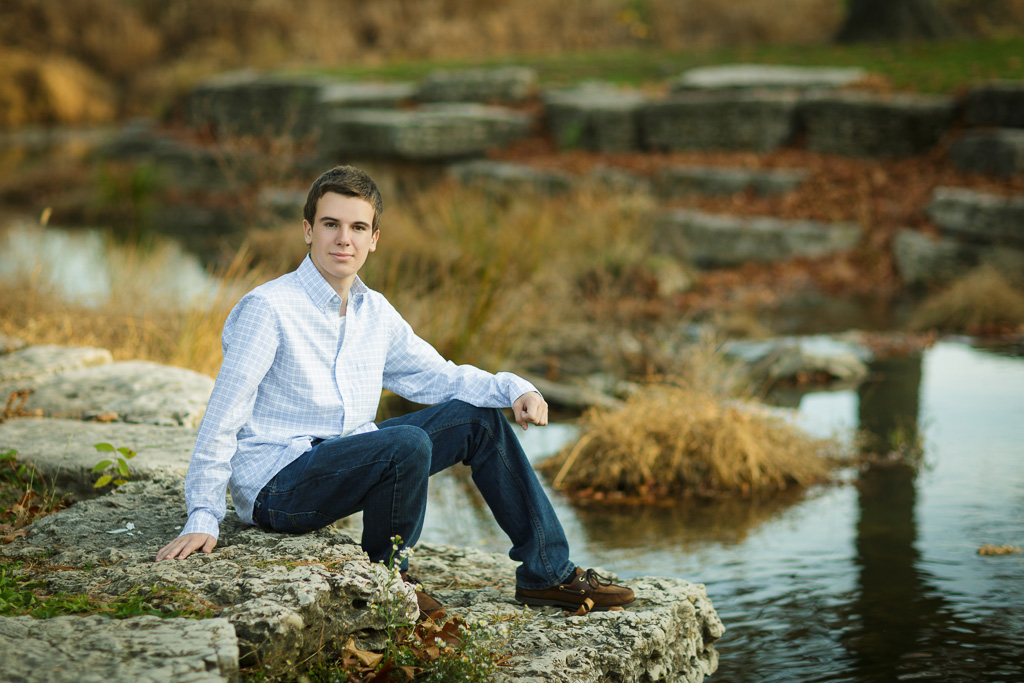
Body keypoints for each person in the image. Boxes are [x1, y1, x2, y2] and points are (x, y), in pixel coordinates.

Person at [156, 165, 633, 616]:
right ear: (308, 230)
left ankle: (547, 574)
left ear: (374, 239)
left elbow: (440, 377)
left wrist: (514, 389)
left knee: (476, 419)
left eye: (358, 227)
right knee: (407, 443)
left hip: (345, 461)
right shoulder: (268, 308)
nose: (344, 239)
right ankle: (388, 579)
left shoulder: (375, 311)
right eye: (330, 224)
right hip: (278, 486)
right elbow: (223, 415)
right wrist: (203, 514)